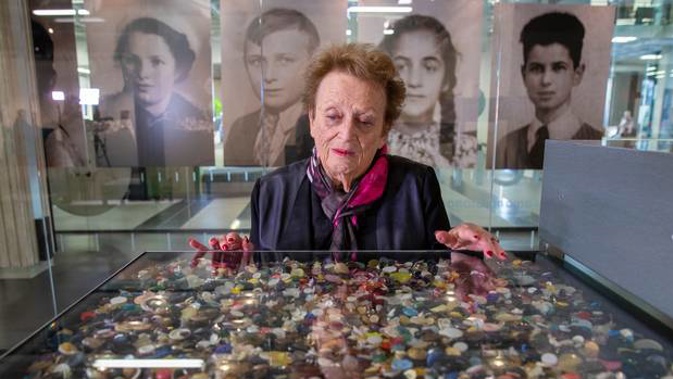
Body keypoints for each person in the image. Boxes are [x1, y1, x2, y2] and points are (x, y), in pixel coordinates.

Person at [193, 44, 507, 299]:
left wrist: (465, 258)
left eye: (365, 121)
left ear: (384, 130)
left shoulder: (417, 184)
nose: (346, 133)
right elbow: (266, 280)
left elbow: (439, 277)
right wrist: (240, 259)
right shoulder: (271, 190)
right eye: (332, 116)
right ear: (312, 119)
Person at [99, 17, 212, 167]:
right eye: (132, 60)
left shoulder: (199, 123)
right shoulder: (104, 114)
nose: (143, 73)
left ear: (177, 67)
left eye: (156, 62)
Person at [496, 12, 603, 170]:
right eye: (536, 69)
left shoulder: (597, 143)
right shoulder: (506, 146)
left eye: (558, 68)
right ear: (523, 74)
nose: (546, 80)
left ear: (577, 74)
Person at [223, 8, 318, 166]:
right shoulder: (239, 129)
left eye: (285, 60)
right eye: (257, 61)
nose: (268, 76)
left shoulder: (321, 126)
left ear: (312, 64)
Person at [379, 14, 471, 167]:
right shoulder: (371, 142)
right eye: (401, 66)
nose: (415, 81)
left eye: (429, 68)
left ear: (446, 80)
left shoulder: (465, 149)